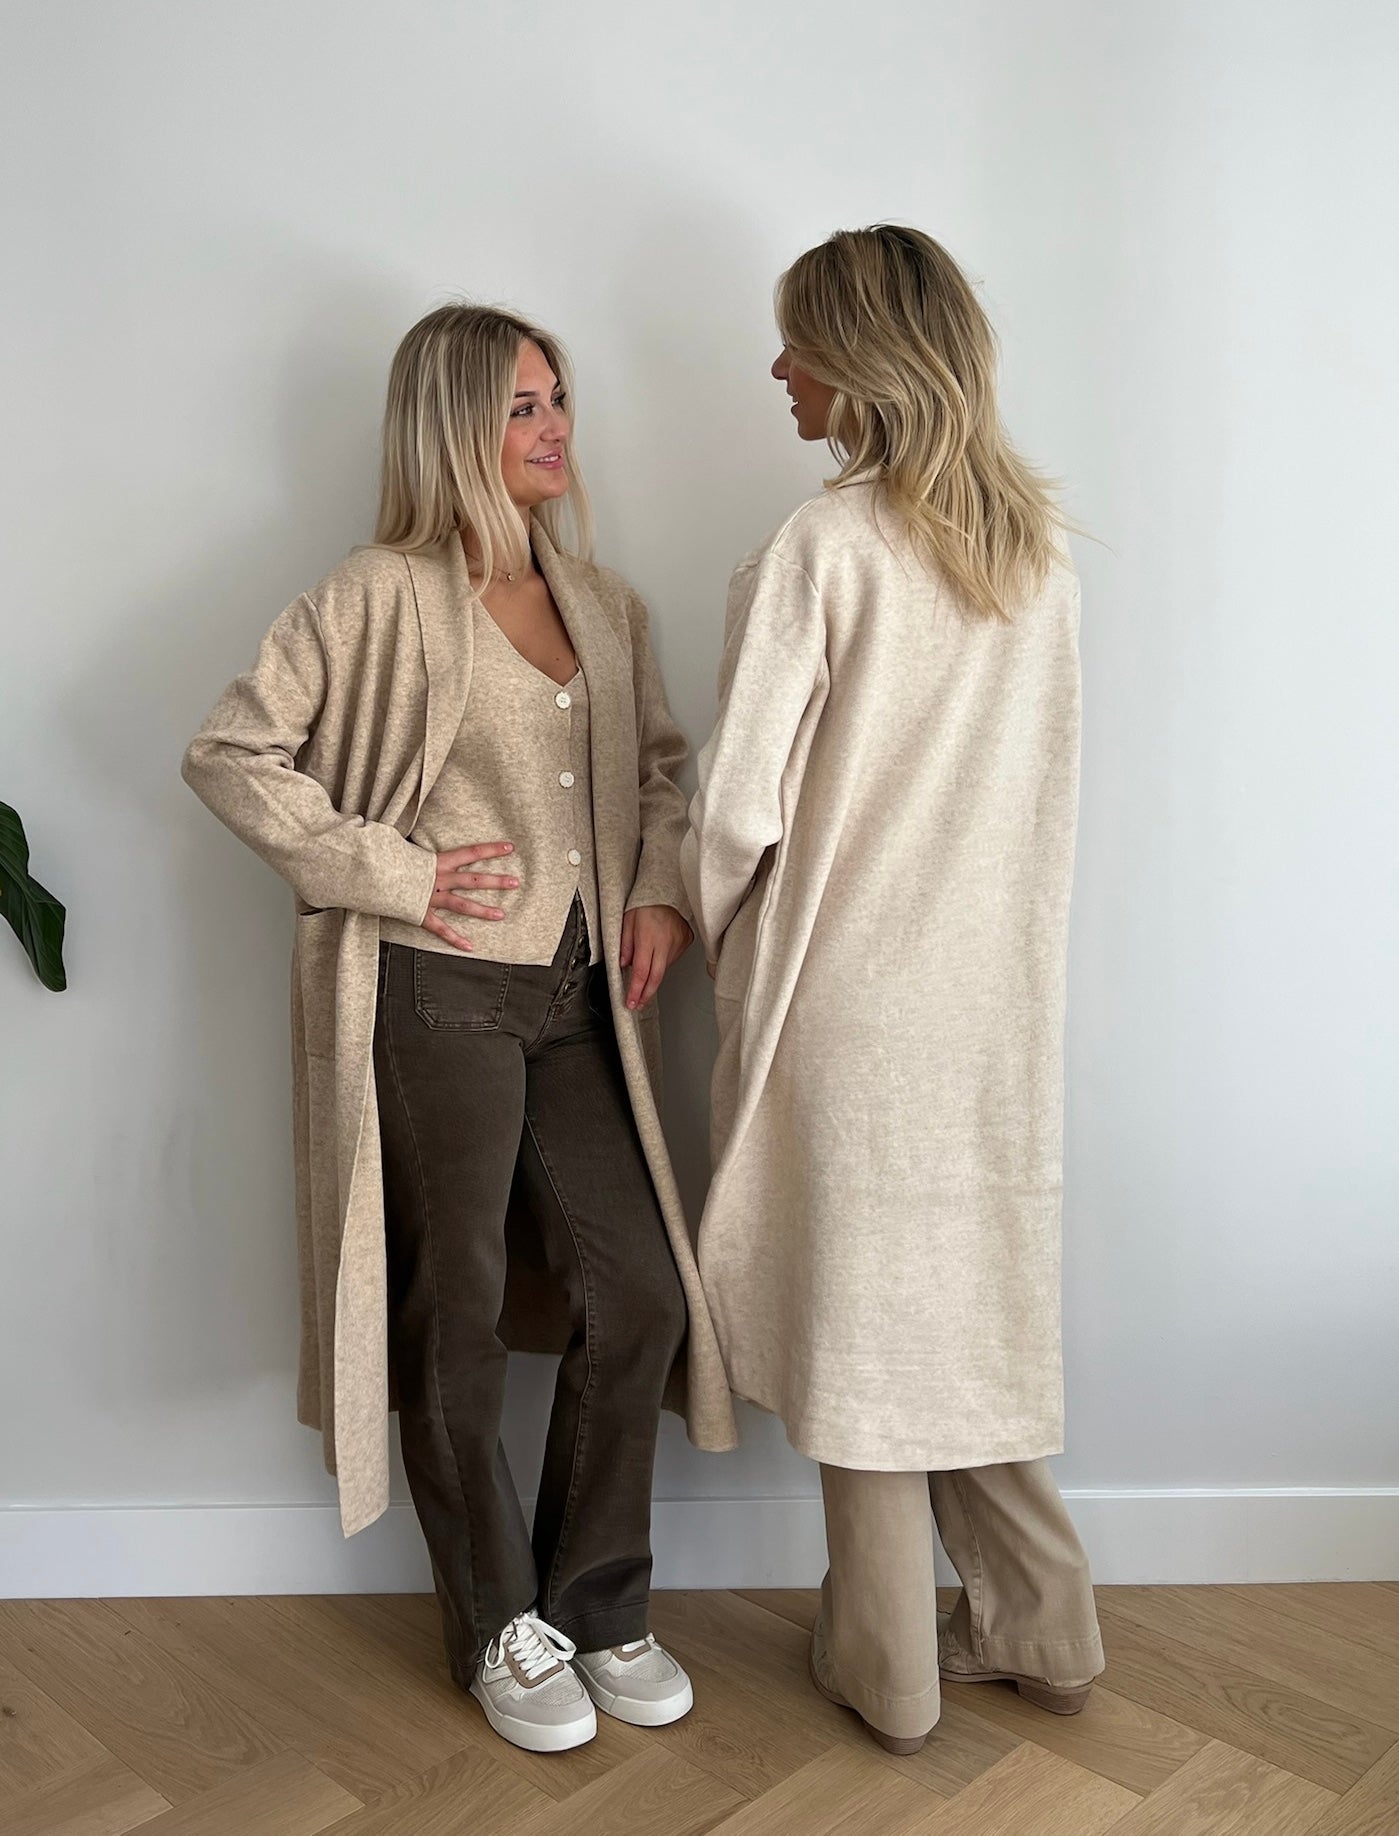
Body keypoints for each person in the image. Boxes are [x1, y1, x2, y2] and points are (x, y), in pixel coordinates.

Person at [183, 303, 736, 1754]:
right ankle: (498, 1620)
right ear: (453, 429)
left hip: (583, 1000)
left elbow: (661, 773)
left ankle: (597, 1602)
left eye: (558, 400)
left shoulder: (604, 604)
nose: (555, 428)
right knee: (458, 1306)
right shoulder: (373, 596)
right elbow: (230, 753)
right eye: (521, 408)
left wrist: (660, 890)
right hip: (439, 987)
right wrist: (400, 872)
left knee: (641, 1294)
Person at [682, 225, 1104, 1755]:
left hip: (848, 999)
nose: (777, 369)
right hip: (993, 1003)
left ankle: (889, 1666)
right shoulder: (1038, 557)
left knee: (865, 1319)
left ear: (863, 360)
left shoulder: (827, 546)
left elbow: (736, 808)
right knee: (963, 1307)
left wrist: (715, 932)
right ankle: (1044, 1626)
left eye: (798, 342)